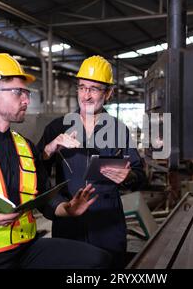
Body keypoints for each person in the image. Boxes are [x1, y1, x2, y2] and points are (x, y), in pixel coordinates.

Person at [0, 53, 111, 269]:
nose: (26, 100)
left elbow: (44, 198)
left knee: (98, 261)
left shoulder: (24, 146)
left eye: (27, 93)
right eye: (18, 92)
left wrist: (67, 209)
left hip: (26, 249)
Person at [37, 55, 147, 268]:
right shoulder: (57, 128)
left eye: (94, 89)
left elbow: (139, 175)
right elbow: (36, 174)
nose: (86, 95)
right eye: (82, 87)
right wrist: (48, 150)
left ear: (108, 93)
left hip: (108, 225)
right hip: (68, 222)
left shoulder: (118, 130)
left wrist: (129, 176)